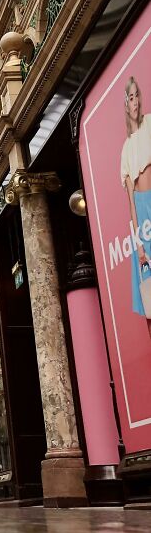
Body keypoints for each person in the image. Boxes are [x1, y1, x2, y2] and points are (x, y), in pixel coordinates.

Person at [121, 76, 151, 338]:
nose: (136, 101)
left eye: (137, 95)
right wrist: (139, 244)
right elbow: (131, 202)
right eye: (131, 97)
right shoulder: (127, 147)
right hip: (143, 216)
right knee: (149, 294)